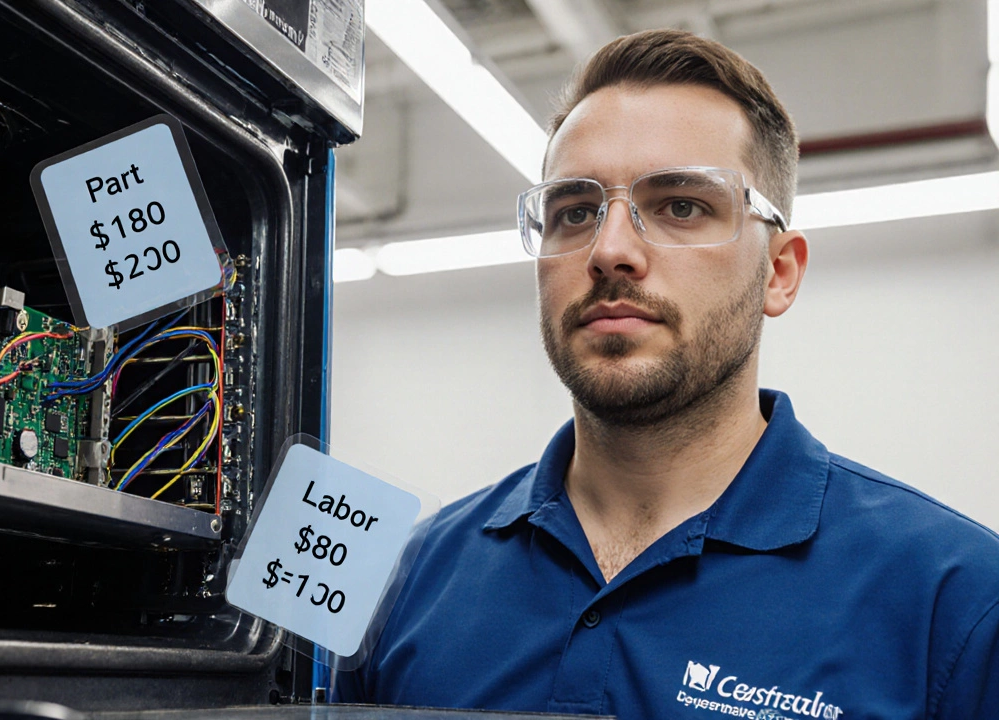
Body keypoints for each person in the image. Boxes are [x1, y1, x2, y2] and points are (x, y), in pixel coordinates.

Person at [333, 29, 999, 718]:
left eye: (681, 206)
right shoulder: (405, 580)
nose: (609, 250)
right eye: (575, 212)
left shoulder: (957, 607)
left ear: (778, 271)